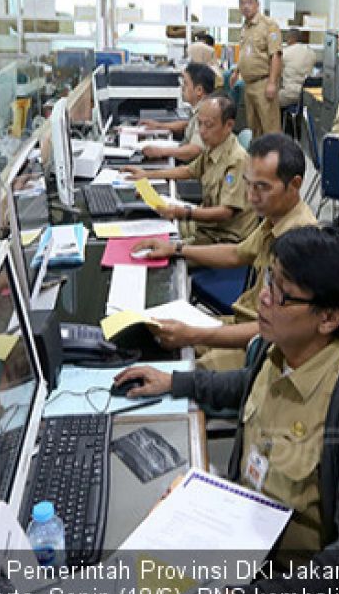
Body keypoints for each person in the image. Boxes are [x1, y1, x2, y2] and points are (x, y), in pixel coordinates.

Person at [116, 226, 339, 591]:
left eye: (282, 295)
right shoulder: (275, 348)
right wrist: (175, 382)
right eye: (269, 280)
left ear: (328, 318)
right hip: (239, 536)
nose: (263, 297)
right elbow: (245, 384)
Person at [131, 133, 318, 370]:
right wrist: (176, 249)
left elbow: (273, 330)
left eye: (262, 187)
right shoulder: (276, 218)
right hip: (243, 322)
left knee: (179, 371)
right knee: (150, 332)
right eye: (248, 184)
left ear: (295, 185)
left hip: (262, 348)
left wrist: (194, 335)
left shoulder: (300, 241)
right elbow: (236, 254)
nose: (251, 197)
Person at [123, 94, 256, 246]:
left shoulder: (237, 160)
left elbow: (225, 212)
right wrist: (147, 175)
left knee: (158, 248)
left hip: (223, 239)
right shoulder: (214, 146)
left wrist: (183, 213)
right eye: (200, 124)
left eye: (209, 125)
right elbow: (189, 171)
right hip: (206, 228)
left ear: (229, 125)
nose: (203, 131)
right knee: (146, 227)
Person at [136, 63, 216, 164]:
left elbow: (195, 150)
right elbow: (188, 124)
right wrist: (159, 126)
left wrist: (161, 151)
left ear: (199, 90)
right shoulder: (201, 107)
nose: (182, 88)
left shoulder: (206, 113)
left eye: (186, 84)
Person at [229, 0, 283, 137]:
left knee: (270, 129)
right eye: (242, 3)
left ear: (257, 4)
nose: (246, 6)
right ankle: (259, 159)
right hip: (249, 84)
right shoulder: (245, 27)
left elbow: (276, 56)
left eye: (249, 2)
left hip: (264, 83)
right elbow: (246, 52)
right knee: (255, 130)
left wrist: (272, 82)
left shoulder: (268, 25)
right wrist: (236, 72)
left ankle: (274, 159)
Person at [279, 30, 315, 109]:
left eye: (287, 39)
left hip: (290, 94)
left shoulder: (286, 52)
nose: (287, 42)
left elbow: (277, 71)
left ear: (292, 39)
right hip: (306, 95)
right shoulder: (311, 52)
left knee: (266, 99)